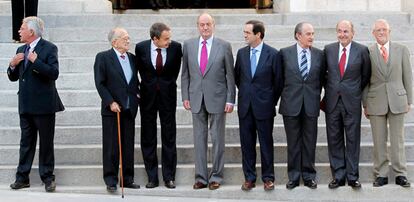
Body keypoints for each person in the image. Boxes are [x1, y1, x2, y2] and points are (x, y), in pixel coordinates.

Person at [7, 16, 64, 192]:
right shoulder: (20, 48)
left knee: (46, 143)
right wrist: (12, 65)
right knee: (26, 143)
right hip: (25, 104)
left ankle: (48, 177)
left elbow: (53, 73)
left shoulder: (49, 48)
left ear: (31, 32)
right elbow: (13, 77)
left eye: (22, 28)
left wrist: (35, 61)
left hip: (44, 105)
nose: (19, 31)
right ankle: (22, 177)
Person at [181, 12, 235, 190]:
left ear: (213, 25)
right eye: (202, 24)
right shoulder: (188, 45)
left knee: (218, 138)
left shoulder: (224, 46)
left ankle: (217, 177)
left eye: (208, 24)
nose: (205, 28)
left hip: (218, 98)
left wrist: (230, 99)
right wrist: (185, 96)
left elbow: (230, 76)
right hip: (196, 98)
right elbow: (186, 74)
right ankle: (201, 177)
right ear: (197, 26)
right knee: (199, 138)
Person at [362, 19, 412, 188]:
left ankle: (400, 174)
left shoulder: (402, 50)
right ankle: (381, 174)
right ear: (373, 33)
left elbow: (408, 77)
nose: (381, 32)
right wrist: (365, 103)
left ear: (389, 31)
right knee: (378, 139)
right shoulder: (367, 52)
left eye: (384, 29)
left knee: (398, 139)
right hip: (376, 101)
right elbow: (365, 81)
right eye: (378, 30)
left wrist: (409, 100)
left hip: (398, 99)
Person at [234, 20, 282, 191]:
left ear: (258, 34)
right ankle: (249, 178)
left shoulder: (273, 54)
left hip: (264, 107)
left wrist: (269, 100)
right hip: (246, 106)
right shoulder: (241, 54)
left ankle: (268, 178)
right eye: (244, 32)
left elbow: (278, 83)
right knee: (246, 144)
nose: (244, 35)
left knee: (266, 143)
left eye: (247, 32)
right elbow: (238, 78)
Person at [323, 20, 371, 189]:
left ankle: (352, 176)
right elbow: (323, 75)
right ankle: (338, 176)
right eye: (339, 31)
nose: (342, 34)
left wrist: (353, 90)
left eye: (346, 31)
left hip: (351, 102)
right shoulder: (328, 50)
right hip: (332, 102)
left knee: (352, 139)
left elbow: (365, 76)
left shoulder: (362, 50)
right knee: (334, 139)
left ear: (353, 33)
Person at [135, 22, 182, 189]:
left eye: (169, 37)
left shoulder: (176, 48)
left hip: (168, 97)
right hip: (147, 98)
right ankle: (152, 177)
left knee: (169, 136)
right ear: (155, 39)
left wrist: (165, 86)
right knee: (148, 136)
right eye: (165, 39)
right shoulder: (140, 48)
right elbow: (139, 71)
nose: (169, 41)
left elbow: (174, 72)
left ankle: (169, 176)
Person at [94, 27, 141, 192]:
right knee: (111, 146)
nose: (128, 40)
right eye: (124, 38)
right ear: (114, 42)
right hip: (112, 110)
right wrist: (110, 102)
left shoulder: (133, 58)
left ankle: (127, 178)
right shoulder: (103, 58)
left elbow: (135, 81)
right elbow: (100, 83)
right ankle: (111, 180)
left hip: (129, 108)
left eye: (128, 38)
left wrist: (137, 95)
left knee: (127, 146)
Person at [279, 22, 325, 190]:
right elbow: (279, 80)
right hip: (291, 104)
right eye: (308, 34)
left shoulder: (320, 55)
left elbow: (321, 80)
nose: (311, 37)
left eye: (313, 33)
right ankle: (293, 176)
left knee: (309, 142)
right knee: (293, 143)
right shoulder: (284, 54)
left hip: (311, 105)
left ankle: (309, 176)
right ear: (298, 35)